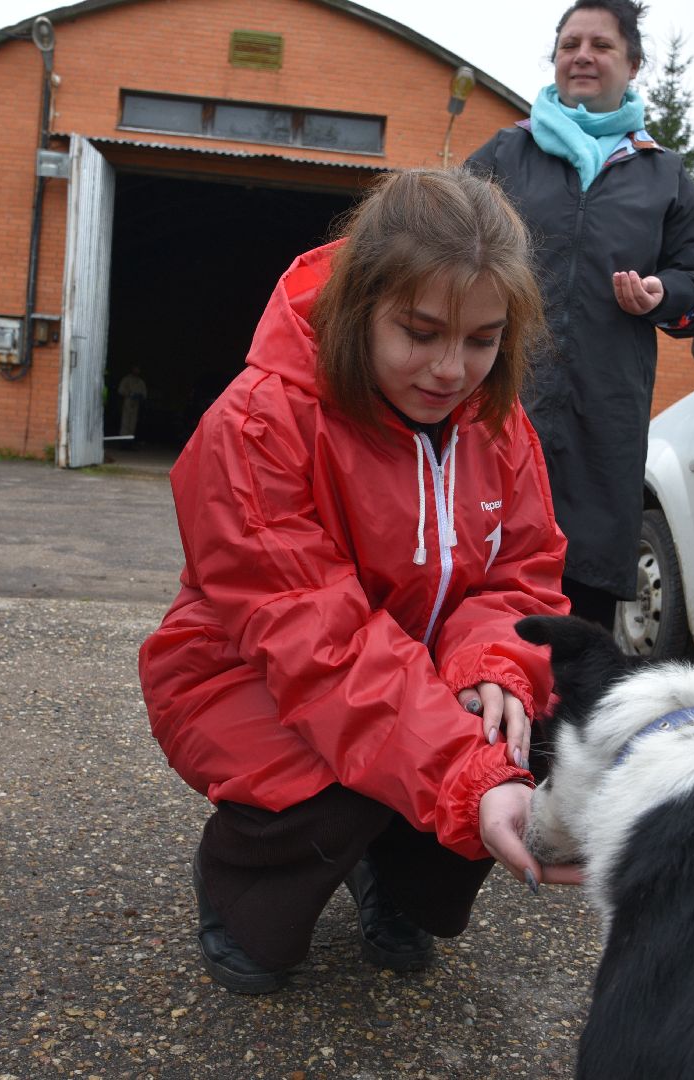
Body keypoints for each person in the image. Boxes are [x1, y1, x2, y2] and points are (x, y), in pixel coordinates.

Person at [138, 169, 579, 995]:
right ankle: (243, 888)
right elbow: (321, 646)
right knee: (349, 775)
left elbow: (520, 579)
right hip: (251, 674)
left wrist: (493, 672)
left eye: (482, 340)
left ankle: (400, 880)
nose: (452, 369)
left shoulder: (499, 423)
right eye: (420, 332)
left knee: (524, 726)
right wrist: (465, 772)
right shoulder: (258, 421)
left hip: (394, 675)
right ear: (359, 309)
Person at [467, 0, 694, 630]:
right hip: (497, 403)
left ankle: (566, 726)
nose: (582, 55)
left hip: (602, 421)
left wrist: (666, 294)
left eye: (601, 45)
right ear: (554, 59)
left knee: (580, 611)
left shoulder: (664, 176)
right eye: (570, 43)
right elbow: (435, 242)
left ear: (632, 64)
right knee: (477, 573)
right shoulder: (504, 155)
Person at [116, 367, 148, 440]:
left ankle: (129, 442)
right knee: (125, 422)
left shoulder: (140, 382)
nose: (136, 371)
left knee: (133, 424)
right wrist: (129, 394)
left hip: (136, 404)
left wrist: (140, 396)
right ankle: (122, 441)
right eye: (135, 369)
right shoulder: (126, 379)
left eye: (138, 370)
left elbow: (144, 393)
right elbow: (120, 390)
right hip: (127, 402)